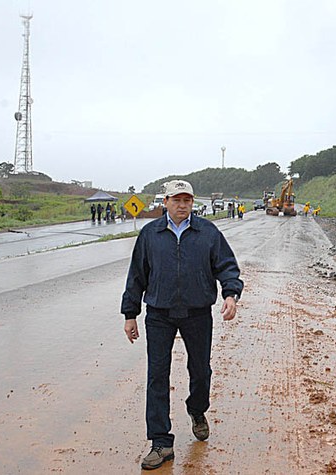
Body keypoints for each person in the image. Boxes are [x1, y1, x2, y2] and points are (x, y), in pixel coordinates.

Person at [121, 179, 243, 471]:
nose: (182, 205)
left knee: (200, 370)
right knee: (157, 375)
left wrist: (231, 294)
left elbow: (227, 266)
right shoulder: (150, 234)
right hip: (159, 314)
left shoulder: (207, 232)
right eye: (176, 200)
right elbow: (137, 275)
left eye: (187, 200)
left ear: (192, 203)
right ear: (165, 202)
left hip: (197, 313)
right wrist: (130, 314)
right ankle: (161, 442)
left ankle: (197, 409)